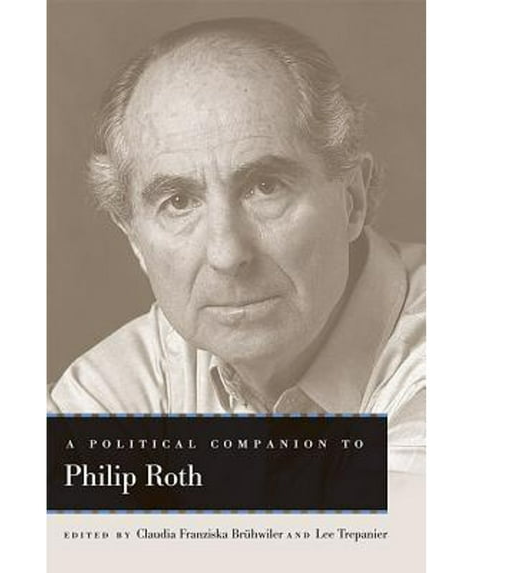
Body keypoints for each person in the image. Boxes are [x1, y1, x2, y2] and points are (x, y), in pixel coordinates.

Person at [48, 18, 425, 474]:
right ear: (135, 240)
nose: (227, 255)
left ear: (353, 200)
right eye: (179, 202)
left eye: (265, 187)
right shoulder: (129, 380)